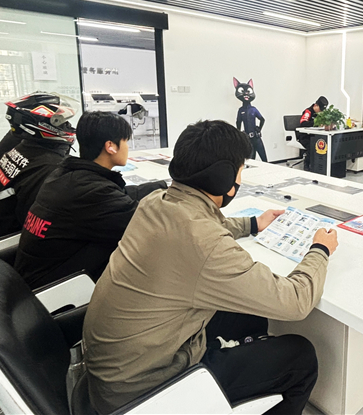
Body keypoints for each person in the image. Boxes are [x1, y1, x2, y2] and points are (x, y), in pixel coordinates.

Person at [82, 120, 338, 415]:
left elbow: (199, 226)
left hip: (115, 376)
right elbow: (295, 301)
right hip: (146, 393)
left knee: (248, 314)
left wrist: (253, 223)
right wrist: (320, 250)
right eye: (240, 170)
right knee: (300, 357)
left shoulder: (156, 202)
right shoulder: (205, 244)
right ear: (223, 177)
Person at [13, 111, 167, 289]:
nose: (127, 147)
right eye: (125, 141)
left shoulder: (67, 174)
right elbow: (144, 221)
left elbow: (120, 195)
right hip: (53, 287)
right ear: (110, 146)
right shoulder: (92, 191)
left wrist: (163, 186)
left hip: (35, 274)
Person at [0, 93, 78, 240]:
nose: (68, 127)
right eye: (61, 123)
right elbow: (39, 221)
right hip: (8, 239)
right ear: (44, 125)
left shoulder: (23, 149)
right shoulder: (48, 167)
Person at [297, 95, 328, 171]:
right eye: (320, 109)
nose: (321, 112)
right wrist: (315, 123)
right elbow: (303, 123)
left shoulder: (320, 114)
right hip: (305, 137)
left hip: (315, 135)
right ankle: (307, 164)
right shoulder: (308, 112)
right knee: (313, 145)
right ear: (316, 105)